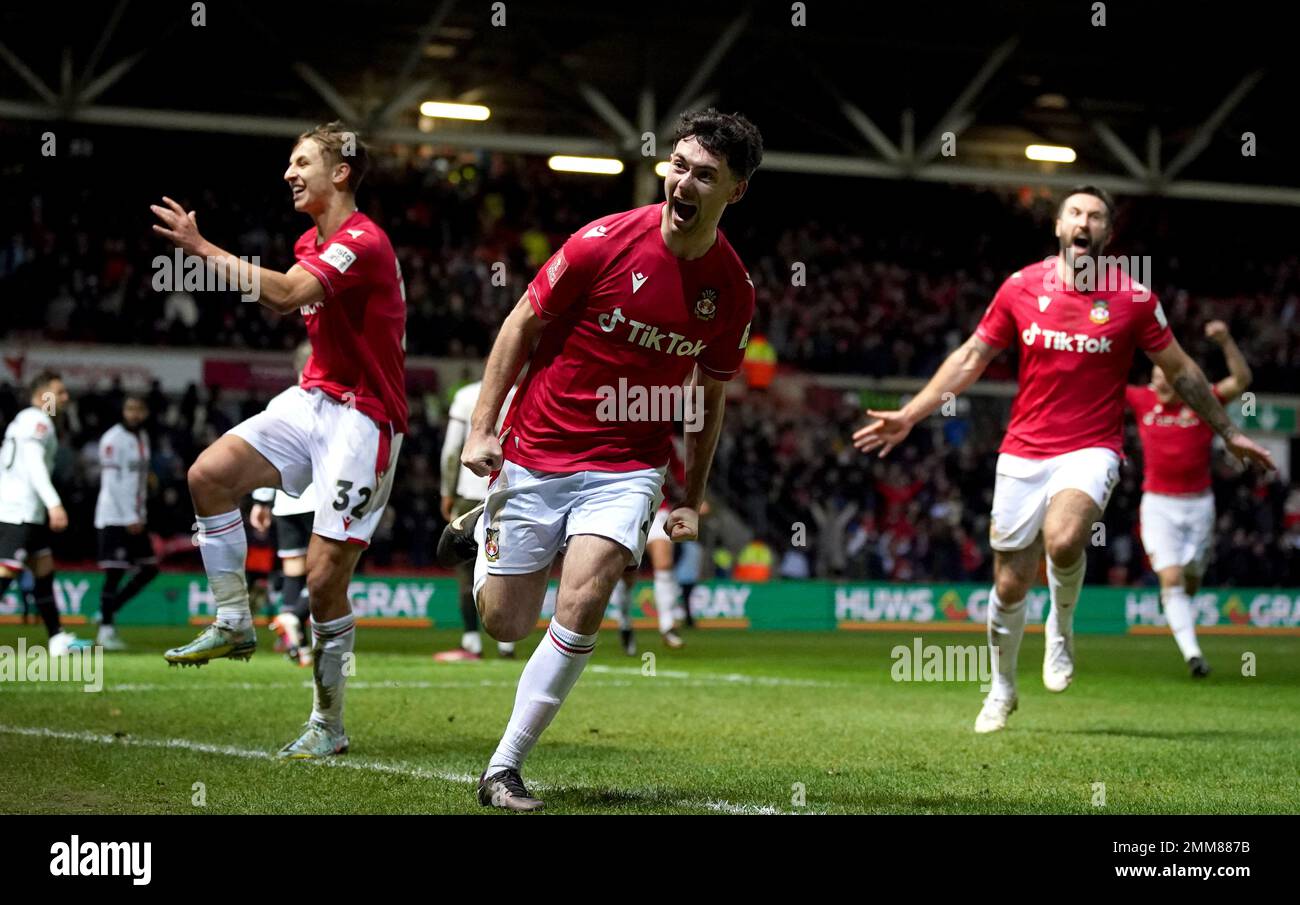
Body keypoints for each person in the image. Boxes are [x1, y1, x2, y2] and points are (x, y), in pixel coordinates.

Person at [854, 186, 1274, 733]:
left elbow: (1184, 370)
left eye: (1096, 216)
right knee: (1009, 583)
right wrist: (911, 413)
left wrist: (1226, 431)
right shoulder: (1021, 287)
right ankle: (1002, 688)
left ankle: (1061, 628)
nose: (1084, 222)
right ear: (1058, 226)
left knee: (1064, 537)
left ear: (1107, 233)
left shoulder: (1135, 299)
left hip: (1091, 448)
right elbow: (972, 356)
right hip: (1023, 451)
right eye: (1075, 212)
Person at [439, 109, 762, 809]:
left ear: (734, 191)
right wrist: (480, 430)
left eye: (705, 174)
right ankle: (483, 530)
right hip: (537, 448)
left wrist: (690, 497)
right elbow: (519, 322)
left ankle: (503, 767)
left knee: (587, 593)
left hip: (628, 465)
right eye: (678, 166)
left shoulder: (731, 292)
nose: (684, 181)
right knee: (505, 622)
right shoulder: (602, 241)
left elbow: (708, 399)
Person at [150, 122, 407, 758]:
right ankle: (234, 620)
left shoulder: (364, 241)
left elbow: (290, 293)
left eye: (302, 163)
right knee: (208, 476)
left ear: (340, 172)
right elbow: (284, 301)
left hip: (365, 417)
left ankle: (328, 725)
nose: (289, 174)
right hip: (314, 398)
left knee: (323, 581)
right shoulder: (309, 240)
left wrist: (202, 247)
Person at [1126, 319, 1253, 677]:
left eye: (1165, 377)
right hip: (1158, 505)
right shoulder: (1141, 400)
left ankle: (1179, 604)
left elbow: (1242, 381)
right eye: (1154, 378)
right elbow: (1101, 386)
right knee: (1171, 577)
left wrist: (1227, 340)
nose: (1158, 383)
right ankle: (1194, 656)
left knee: (1191, 577)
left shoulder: (1203, 399)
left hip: (1199, 505)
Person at [0, 371, 87, 656]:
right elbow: (34, 464)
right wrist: (54, 503)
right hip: (19, 510)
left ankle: (57, 638)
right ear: (41, 396)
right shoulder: (38, 420)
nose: (65, 398)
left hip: (27, 509)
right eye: (58, 393)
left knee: (43, 569)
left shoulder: (26, 420)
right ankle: (57, 638)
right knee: (6, 571)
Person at [434, 378, 517, 661]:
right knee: (507, 565)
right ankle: (507, 643)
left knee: (466, 569)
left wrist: (447, 491)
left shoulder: (467, 394)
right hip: (508, 492)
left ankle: (471, 640)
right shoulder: (523, 394)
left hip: (470, 495)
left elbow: (451, 449)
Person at [251, 342, 318, 668]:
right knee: (328, 571)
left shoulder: (279, 403)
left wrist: (261, 499)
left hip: (286, 501)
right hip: (323, 499)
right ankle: (294, 618)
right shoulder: (332, 401)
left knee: (294, 572)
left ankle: (298, 646)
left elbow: (266, 456)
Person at [93, 393, 159, 650]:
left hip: (136, 516)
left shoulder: (142, 437)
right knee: (115, 572)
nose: (134, 414)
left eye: (138, 409)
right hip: (114, 517)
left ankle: (107, 610)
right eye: (130, 409)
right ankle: (106, 630)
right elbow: (112, 483)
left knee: (150, 569)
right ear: (123, 411)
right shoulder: (113, 439)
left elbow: (135, 477)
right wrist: (129, 516)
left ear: (145, 413)